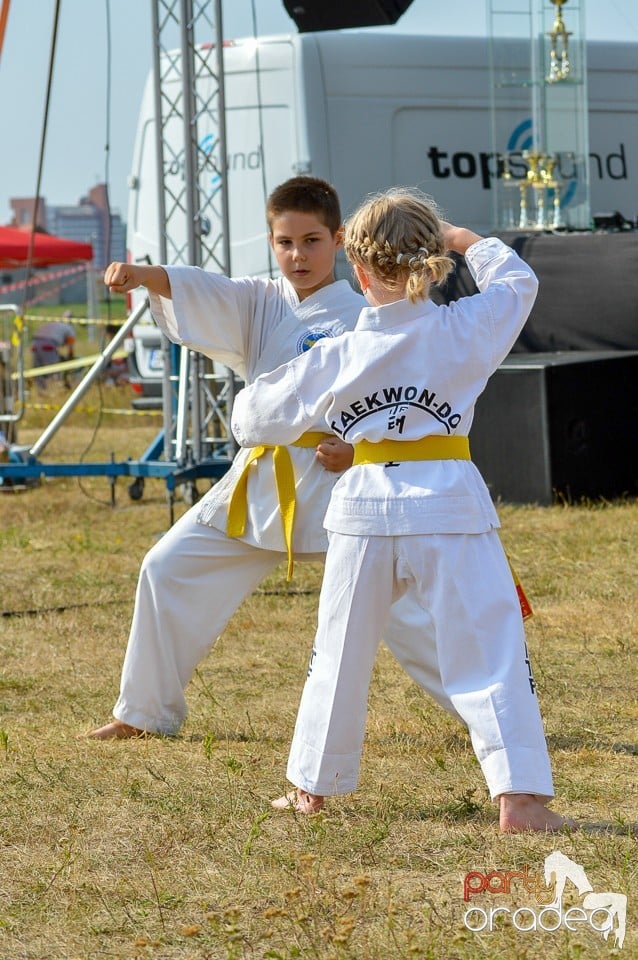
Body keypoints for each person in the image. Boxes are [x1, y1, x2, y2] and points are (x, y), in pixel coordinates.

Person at [231, 187, 576, 833]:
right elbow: (517, 280)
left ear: (356, 270)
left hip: (362, 511)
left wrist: (324, 427)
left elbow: (250, 417)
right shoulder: (465, 326)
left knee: (338, 652)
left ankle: (311, 790)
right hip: (448, 507)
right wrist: (465, 238)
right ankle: (521, 802)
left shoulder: (334, 353)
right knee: (489, 649)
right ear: (435, 262)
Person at [86, 175, 416, 740]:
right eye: (285, 243)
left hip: (339, 483)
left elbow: (404, 400)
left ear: (338, 240)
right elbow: (201, 287)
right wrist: (144, 276)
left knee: (412, 605)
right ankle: (141, 714)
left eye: (311, 241)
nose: (298, 255)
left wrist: (359, 448)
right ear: (271, 242)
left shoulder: (365, 314)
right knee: (166, 568)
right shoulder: (262, 300)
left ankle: (493, 715)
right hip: (259, 482)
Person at [30, 312, 75, 389]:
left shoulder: (54, 324)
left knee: (38, 371)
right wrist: (70, 359)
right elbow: (70, 349)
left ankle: (41, 391)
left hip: (35, 343)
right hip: (48, 345)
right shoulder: (69, 329)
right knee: (55, 370)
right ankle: (58, 389)